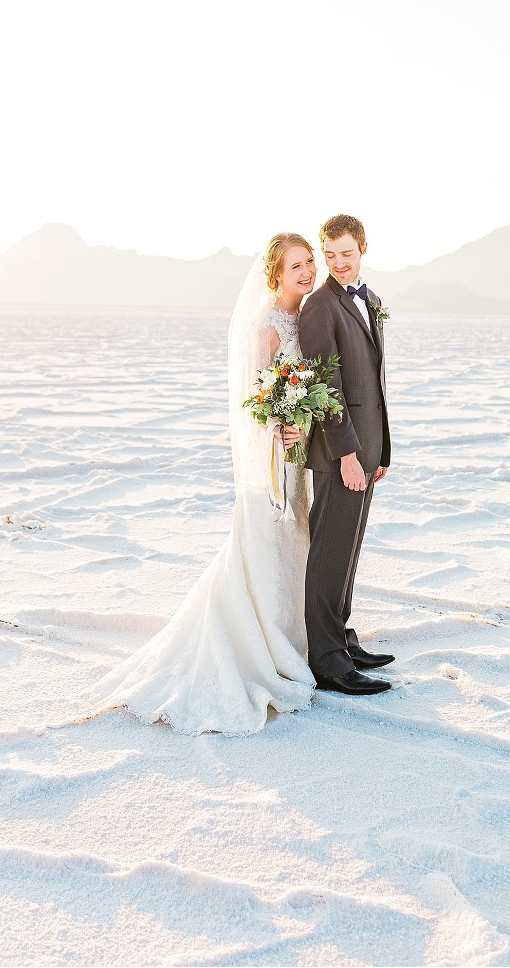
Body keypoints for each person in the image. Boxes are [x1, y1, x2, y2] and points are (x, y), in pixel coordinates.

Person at [90, 234, 318, 735]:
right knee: (267, 545)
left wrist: (308, 420)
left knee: (297, 544)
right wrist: (287, 424)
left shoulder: (308, 316)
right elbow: (260, 402)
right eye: (296, 265)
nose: (306, 272)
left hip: (301, 456)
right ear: (276, 274)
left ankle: (298, 637)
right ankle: (259, 645)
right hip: (278, 456)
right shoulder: (267, 328)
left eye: (310, 262)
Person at [298, 214, 394, 695]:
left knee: (350, 548)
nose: (337, 263)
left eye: (346, 254)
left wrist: (378, 451)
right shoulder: (319, 306)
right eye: (329, 255)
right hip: (341, 451)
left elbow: (372, 384)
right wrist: (348, 455)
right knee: (330, 551)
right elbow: (325, 386)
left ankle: (342, 638)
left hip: (367, 446)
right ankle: (326, 660)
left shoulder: (370, 300)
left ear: (362, 249)